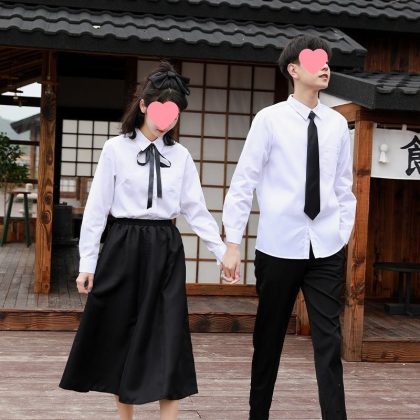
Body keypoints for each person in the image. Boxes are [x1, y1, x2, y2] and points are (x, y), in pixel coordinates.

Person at [59, 61, 231, 420]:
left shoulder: (180, 156)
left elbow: (196, 209)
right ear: (143, 105)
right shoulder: (115, 149)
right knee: (120, 330)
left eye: (174, 111)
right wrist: (87, 262)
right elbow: (96, 208)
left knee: (169, 335)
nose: (167, 117)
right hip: (122, 244)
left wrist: (221, 251)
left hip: (165, 247)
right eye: (160, 108)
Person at [221, 35, 356, 420]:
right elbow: (244, 182)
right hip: (279, 246)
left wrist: (340, 235)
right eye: (315, 60)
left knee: (329, 341)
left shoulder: (337, 124)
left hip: (325, 247)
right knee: (268, 339)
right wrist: (233, 242)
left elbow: (343, 187)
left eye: (327, 60)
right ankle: (257, 415)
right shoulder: (270, 120)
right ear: (293, 69)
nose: (325, 66)